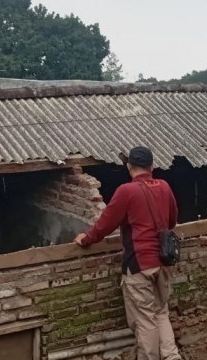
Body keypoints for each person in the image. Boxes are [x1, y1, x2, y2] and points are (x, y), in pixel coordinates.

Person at [75, 146, 181, 360]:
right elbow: (171, 221)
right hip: (164, 261)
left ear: (129, 167)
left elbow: (105, 224)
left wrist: (85, 239)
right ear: (152, 166)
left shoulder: (126, 191)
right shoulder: (164, 186)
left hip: (139, 264)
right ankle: (171, 357)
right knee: (161, 312)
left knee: (145, 320)